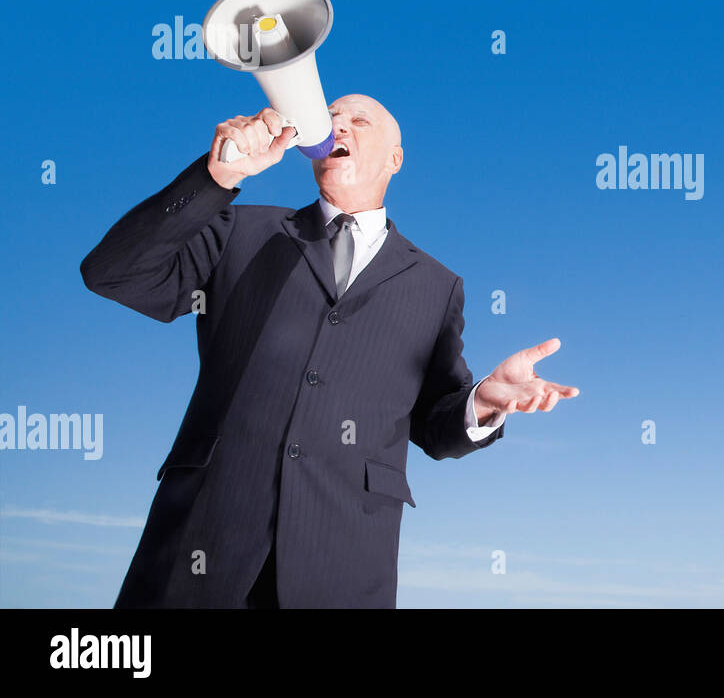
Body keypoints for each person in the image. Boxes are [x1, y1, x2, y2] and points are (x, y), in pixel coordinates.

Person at [80, 95, 578, 607]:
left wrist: (483, 403)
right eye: (328, 120)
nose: (337, 127)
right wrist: (217, 179)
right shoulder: (240, 231)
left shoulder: (437, 286)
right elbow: (112, 273)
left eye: (358, 121)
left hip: (341, 568)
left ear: (395, 159)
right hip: (201, 549)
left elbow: (434, 423)